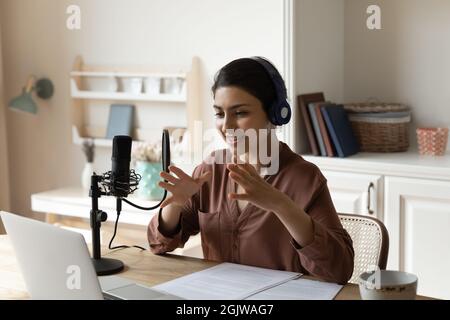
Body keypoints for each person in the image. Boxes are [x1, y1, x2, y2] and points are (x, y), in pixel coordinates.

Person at [147, 57, 354, 284]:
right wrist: (176, 204)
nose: (226, 127)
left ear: (275, 113)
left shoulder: (304, 178)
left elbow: (339, 269)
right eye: (219, 114)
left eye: (240, 113)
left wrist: (280, 204)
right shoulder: (210, 171)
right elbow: (159, 245)